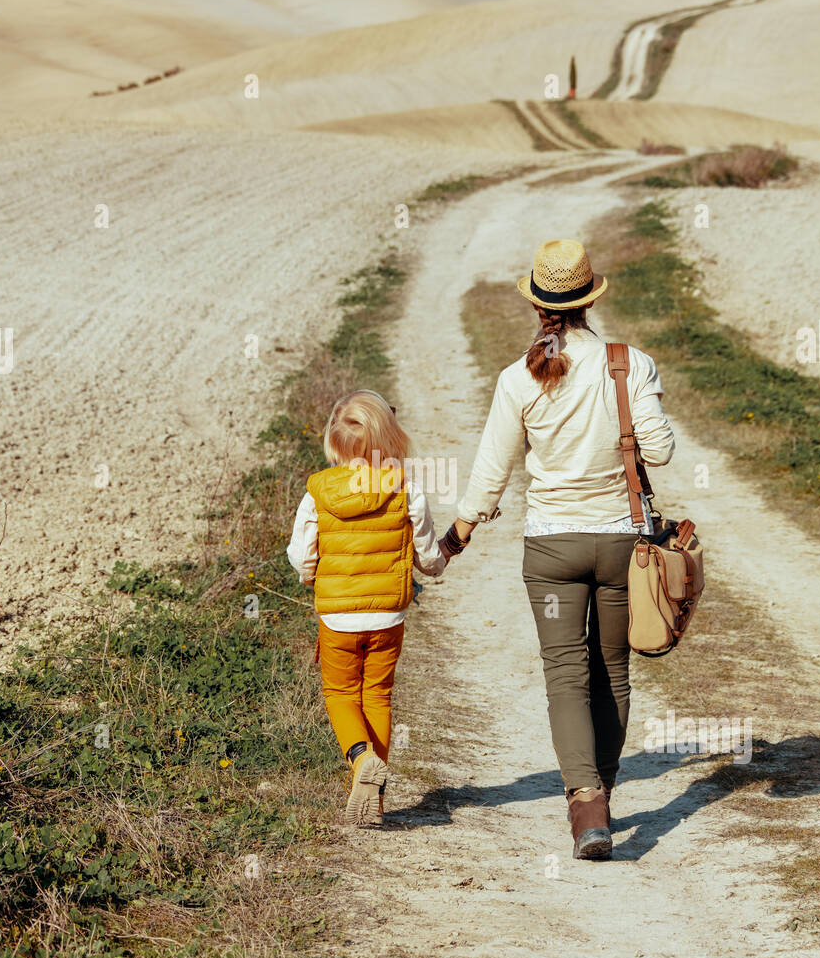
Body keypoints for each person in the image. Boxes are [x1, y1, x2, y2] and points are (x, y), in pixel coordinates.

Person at [440, 238, 675, 860]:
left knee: (566, 677)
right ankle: (605, 789)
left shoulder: (518, 378)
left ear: (538, 305)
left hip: (551, 550)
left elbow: (492, 472)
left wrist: (460, 532)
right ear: (591, 298)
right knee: (613, 672)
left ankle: (586, 807)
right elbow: (663, 451)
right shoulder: (630, 363)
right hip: (623, 546)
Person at [287, 390, 445, 828]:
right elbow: (428, 558)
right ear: (388, 439)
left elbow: (303, 558)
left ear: (333, 445)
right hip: (388, 617)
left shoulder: (316, 492)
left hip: (337, 618)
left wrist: (311, 576)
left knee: (340, 694)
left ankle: (360, 763)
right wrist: (446, 555)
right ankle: (373, 793)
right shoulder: (405, 488)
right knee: (377, 695)